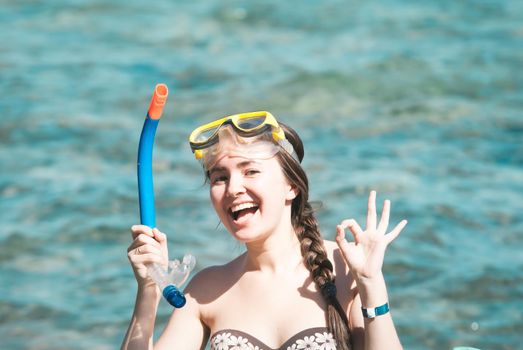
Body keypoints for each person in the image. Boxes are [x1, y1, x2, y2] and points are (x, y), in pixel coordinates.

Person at [122, 111, 408, 350]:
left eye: (251, 171)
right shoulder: (207, 290)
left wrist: (371, 285)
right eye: (219, 178)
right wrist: (149, 289)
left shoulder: (346, 270)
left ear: (291, 186)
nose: (233, 188)